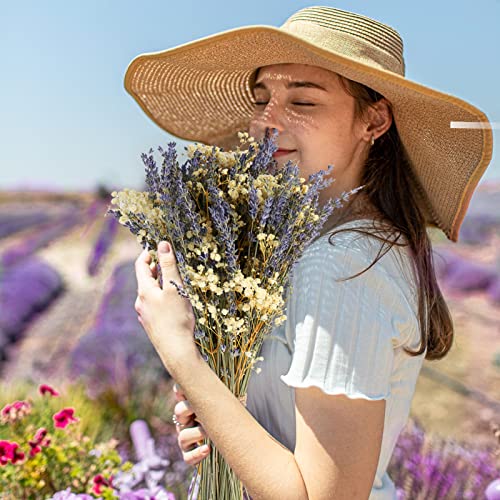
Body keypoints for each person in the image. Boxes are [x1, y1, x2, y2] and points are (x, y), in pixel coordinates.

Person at [129, 6, 493, 499]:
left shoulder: (341, 264)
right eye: (262, 98)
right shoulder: (316, 247)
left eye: (302, 100)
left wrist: (180, 354)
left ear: (374, 121)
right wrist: (218, 413)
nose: (267, 120)